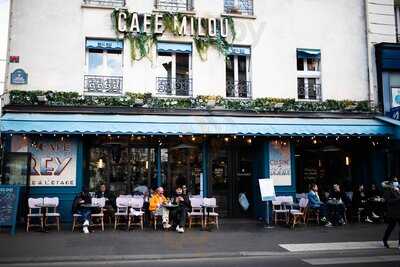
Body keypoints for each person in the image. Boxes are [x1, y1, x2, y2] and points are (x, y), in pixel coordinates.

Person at [382, 181, 400, 249]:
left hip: (399, 211)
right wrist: (398, 199)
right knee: (390, 227)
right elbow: (389, 201)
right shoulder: (388, 191)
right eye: (393, 184)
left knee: (391, 227)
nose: (395, 185)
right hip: (393, 213)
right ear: (390, 185)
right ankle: (385, 239)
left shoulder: (397, 190)